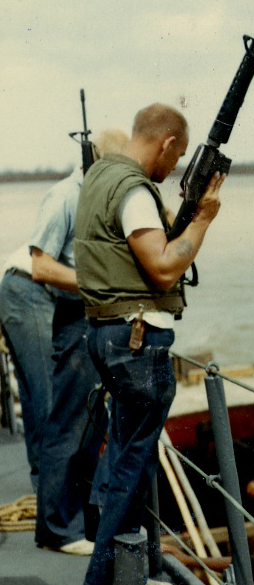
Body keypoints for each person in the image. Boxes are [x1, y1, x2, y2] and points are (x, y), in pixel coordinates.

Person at [73, 102, 225, 585]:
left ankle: (136, 571)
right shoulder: (135, 189)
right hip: (137, 339)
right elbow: (162, 270)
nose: (175, 167)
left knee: (123, 451)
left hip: (106, 333)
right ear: (165, 142)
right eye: (177, 155)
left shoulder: (100, 177)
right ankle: (102, 581)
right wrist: (201, 220)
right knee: (134, 462)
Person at [34, 129, 129, 556]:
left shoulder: (102, 195)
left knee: (94, 428)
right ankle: (57, 528)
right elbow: (42, 267)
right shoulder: (64, 197)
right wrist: (99, 283)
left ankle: (83, 521)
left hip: (103, 318)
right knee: (68, 425)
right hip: (77, 318)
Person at [0, 246, 55, 491]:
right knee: (47, 393)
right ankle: (55, 494)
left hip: (15, 286)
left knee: (34, 393)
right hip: (30, 290)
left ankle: (43, 485)